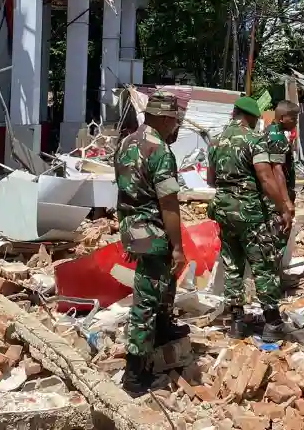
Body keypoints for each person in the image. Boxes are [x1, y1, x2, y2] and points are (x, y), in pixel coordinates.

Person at [115, 91, 190, 394]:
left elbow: (124, 190)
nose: (176, 125)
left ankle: (163, 330)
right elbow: (168, 204)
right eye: (173, 119)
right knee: (146, 299)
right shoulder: (159, 151)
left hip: (132, 228)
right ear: (163, 117)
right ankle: (135, 375)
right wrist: (178, 246)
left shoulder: (125, 143)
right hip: (153, 233)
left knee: (161, 285)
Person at [207, 96, 293, 341]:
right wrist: (283, 208)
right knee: (263, 263)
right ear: (252, 117)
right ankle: (273, 322)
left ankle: (236, 322)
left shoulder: (216, 140)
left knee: (232, 265)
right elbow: (266, 179)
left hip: (224, 209)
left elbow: (211, 180)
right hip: (249, 211)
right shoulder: (255, 140)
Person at [263, 101, 299, 255]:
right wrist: (286, 202)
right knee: (279, 234)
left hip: (272, 195)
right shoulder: (277, 138)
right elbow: (277, 171)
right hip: (278, 197)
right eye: (294, 118)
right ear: (283, 118)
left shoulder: (268, 131)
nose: (296, 121)